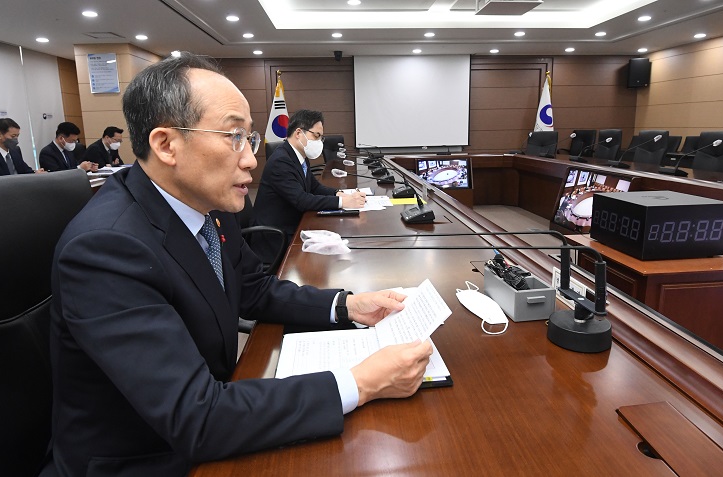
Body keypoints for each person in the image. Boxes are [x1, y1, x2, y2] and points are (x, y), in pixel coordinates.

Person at [42, 53, 432, 476]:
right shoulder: (106, 248)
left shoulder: (207, 204)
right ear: (166, 144)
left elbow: (255, 288)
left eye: (250, 139)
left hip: (205, 418)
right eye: (233, 137)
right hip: (147, 458)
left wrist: (346, 306)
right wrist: (361, 383)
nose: (250, 159)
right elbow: (198, 418)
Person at [251, 109, 366, 263]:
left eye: (321, 138)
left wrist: (339, 194)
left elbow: (314, 187)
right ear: (299, 133)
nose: (319, 142)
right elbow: (301, 200)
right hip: (275, 237)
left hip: (293, 224)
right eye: (316, 136)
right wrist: (343, 203)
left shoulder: (299, 156)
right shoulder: (281, 161)